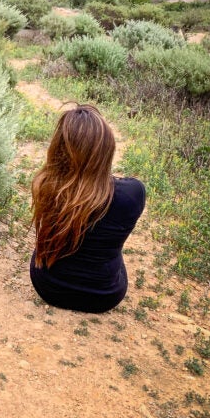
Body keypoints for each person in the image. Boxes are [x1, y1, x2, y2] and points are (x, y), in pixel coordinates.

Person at [29, 104, 145, 313]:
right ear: (107, 149)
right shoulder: (133, 193)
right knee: (112, 251)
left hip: (49, 287)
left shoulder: (46, 184)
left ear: (59, 149)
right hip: (104, 296)